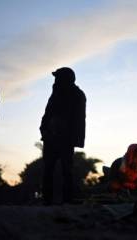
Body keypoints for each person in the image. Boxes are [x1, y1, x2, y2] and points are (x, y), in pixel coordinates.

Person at [40, 67, 86, 205]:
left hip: (66, 139)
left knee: (67, 171)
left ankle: (68, 201)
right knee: (48, 170)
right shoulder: (56, 93)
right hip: (51, 137)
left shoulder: (77, 95)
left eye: (57, 77)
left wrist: (73, 138)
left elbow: (79, 120)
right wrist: (44, 129)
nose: (55, 80)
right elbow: (47, 113)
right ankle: (47, 201)